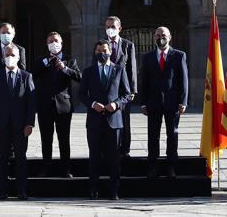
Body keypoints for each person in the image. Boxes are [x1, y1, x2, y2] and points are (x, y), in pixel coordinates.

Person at [79, 40, 131, 200]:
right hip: (94, 121)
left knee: (114, 158)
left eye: (105, 50)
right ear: (95, 53)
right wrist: (93, 104)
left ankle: (114, 190)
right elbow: (81, 94)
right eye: (99, 51)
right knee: (94, 156)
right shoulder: (88, 71)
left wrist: (116, 104)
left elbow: (127, 94)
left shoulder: (119, 70)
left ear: (110, 52)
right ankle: (93, 189)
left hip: (114, 121)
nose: (102, 53)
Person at [0, 44, 36, 201]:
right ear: (2, 58)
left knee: (21, 158)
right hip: (1, 125)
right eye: (7, 55)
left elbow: (31, 102)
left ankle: (22, 190)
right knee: (2, 158)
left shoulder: (26, 76)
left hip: (21, 125)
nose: (10, 57)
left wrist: (30, 123)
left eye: (13, 55)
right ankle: (3, 190)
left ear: (18, 57)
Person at [139, 26, 188, 178]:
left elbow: (183, 80)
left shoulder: (179, 55)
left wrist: (183, 101)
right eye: (158, 35)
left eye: (164, 35)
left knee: (172, 135)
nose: (161, 37)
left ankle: (171, 166)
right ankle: (153, 166)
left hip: (172, 103)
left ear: (170, 37)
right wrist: (143, 102)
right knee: (153, 136)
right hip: (153, 103)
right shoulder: (148, 57)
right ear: (154, 38)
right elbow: (144, 81)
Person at [33, 32, 81, 178]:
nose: (53, 43)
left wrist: (64, 68)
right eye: (50, 41)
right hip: (45, 105)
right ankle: (46, 167)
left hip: (63, 105)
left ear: (61, 43)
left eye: (56, 41)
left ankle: (65, 168)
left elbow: (79, 77)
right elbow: (33, 74)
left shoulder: (70, 60)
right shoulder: (41, 60)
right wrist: (46, 63)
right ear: (47, 44)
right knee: (46, 139)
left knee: (64, 139)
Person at [0, 22, 26, 160]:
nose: (6, 35)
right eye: (3, 32)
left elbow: (23, 68)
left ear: (13, 33)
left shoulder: (20, 49)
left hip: (15, 89)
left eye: (8, 32)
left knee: (15, 123)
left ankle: (14, 150)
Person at [105, 15, 137, 158]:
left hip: (123, 89)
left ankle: (125, 149)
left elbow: (132, 68)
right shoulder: (102, 44)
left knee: (125, 120)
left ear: (119, 28)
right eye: (107, 27)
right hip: (107, 89)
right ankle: (107, 149)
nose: (110, 29)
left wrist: (132, 90)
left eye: (113, 26)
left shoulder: (128, 45)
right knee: (106, 119)